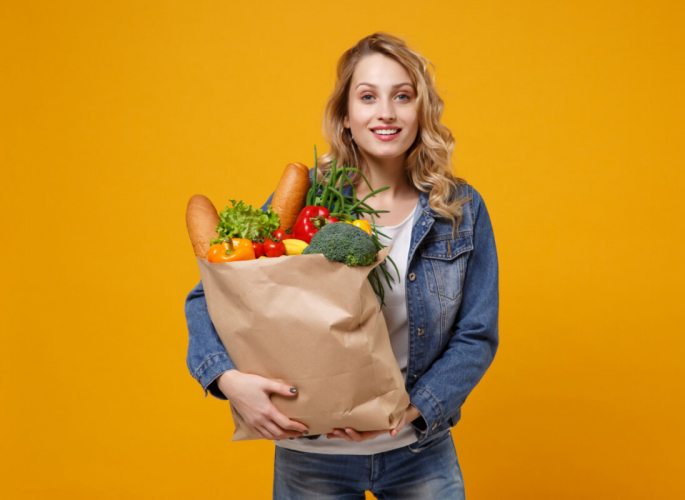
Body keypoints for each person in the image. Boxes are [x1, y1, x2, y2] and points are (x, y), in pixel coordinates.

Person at [185, 32, 499, 499]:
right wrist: (228, 382)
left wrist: (410, 411)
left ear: (421, 112)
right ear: (346, 117)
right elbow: (210, 294)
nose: (386, 113)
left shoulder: (459, 209)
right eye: (368, 96)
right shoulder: (306, 199)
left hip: (418, 450)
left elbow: (475, 334)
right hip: (311, 455)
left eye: (403, 96)